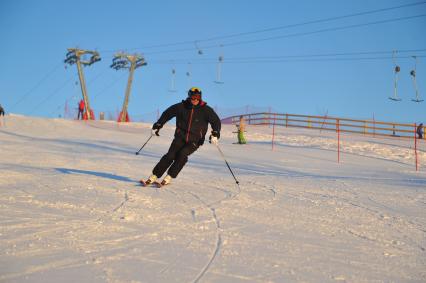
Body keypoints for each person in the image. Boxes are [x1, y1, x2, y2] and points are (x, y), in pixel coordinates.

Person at [141, 87, 221, 186]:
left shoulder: (206, 110)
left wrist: (216, 133)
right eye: (193, 97)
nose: (195, 100)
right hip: (180, 137)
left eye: (197, 97)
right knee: (170, 155)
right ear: (189, 96)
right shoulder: (181, 106)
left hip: (195, 140)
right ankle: (154, 176)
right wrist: (158, 124)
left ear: (200, 98)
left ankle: (169, 177)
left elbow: (216, 121)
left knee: (182, 154)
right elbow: (167, 113)